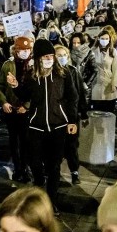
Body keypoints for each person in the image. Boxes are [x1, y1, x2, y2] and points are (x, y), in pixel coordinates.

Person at [24, 39, 78, 202]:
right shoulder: (32, 75)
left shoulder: (64, 74)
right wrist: (14, 87)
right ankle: (39, 181)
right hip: (36, 126)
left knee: (54, 166)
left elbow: (72, 97)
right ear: (38, 58)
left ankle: (52, 200)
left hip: (58, 125)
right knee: (34, 161)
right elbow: (25, 95)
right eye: (45, 56)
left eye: (51, 56)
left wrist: (72, 121)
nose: (49, 59)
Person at [0, 36, 36, 183]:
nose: (24, 52)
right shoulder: (8, 64)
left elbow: (36, 91)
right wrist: (4, 102)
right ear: (15, 50)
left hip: (26, 112)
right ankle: (18, 169)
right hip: (11, 110)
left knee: (26, 141)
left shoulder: (34, 66)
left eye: (27, 49)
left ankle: (25, 169)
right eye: (21, 49)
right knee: (14, 141)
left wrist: (26, 106)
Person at [54, 44, 88, 185]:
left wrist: (84, 112)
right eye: (59, 55)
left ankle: (74, 172)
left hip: (71, 115)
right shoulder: (50, 72)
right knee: (56, 146)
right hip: (56, 116)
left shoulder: (73, 71)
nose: (62, 58)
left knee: (72, 145)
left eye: (64, 55)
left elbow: (80, 93)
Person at [89, 27, 117, 112]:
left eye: (106, 39)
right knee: (97, 110)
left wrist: (114, 84)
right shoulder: (93, 51)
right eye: (102, 38)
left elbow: (115, 69)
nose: (104, 40)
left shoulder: (113, 51)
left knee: (108, 110)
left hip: (108, 82)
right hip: (96, 83)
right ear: (98, 38)